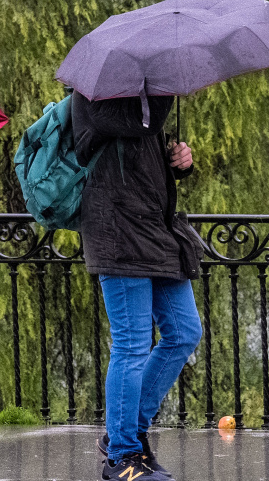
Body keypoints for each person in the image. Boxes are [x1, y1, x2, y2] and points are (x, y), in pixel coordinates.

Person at [72, 91, 203, 481]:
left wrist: (177, 161)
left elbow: (140, 154)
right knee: (131, 343)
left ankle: (122, 433)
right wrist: (164, 92)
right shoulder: (93, 95)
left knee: (183, 332)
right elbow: (133, 124)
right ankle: (123, 456)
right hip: (116, 232)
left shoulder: (146, 95)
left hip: (154, 231)